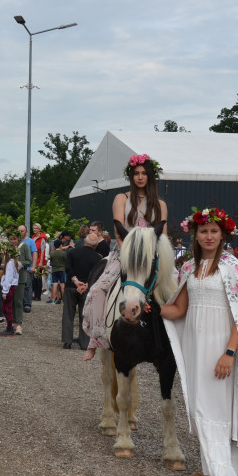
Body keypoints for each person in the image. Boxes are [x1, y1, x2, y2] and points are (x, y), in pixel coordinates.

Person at [160, 206, 238, 476]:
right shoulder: (189, 268)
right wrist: (149, 308)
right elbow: (178, 309)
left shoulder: (232, 267)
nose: (209, 236)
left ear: (223, 234)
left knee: (213, 407)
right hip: (195, 348)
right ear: (195, 235)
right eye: (203, 231)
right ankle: (212, 469)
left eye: (214, 231)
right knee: (200, 405)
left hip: (219, 348)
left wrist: (230, 352)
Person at [82, 154, 168, 361]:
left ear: (150, 176)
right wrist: (130, 254)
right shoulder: (121, 199)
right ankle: (96, 337)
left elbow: (163, 237)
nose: (140, 177)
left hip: (152, 256)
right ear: (131, 176)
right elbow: (119, 231)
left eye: (144, 174)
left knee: (177, 287)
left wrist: (158, 258)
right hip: (125, 253)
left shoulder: (160, 204)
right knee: (98, 289)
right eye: (136, 173)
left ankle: (173, 339)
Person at [63, 229, 103, 349]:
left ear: (84, 241)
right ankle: (85, 343)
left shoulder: (72, 252)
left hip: (71, 286)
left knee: (68, 314)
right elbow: (97, 275)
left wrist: (75, 281)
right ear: (96, 244)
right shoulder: (97, 258)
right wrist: (86, 284)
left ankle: (67, 341)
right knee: (85, 316)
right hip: (87, 289)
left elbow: (68, 267)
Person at [0, 237, 19, 336]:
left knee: (7, 308)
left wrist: (5, 291)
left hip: (9, 287)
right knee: (6, 307)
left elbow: (9, 277)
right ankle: (9, 326)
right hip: (11, 286)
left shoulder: (10, 263)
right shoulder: (14, 262)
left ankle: (10, 328)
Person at [48, 231, 73, 304]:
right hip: (62, 270)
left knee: (55, 284)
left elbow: (51, 263)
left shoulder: (52, 254)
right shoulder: (64, 253)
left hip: (54, 270)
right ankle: (63, 300)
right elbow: (66, 261)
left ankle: (53, 299)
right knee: (62, 284)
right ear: (61, 245)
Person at [18, 225, 35, 314]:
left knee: (27, 286)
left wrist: (33, 266)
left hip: (27, 267)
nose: (21, 233)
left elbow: (34, 253)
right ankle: (20, 303)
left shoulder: (30, 241)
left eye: (22, 231)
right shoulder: (16, 241)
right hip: (16, 268)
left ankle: (27, 304)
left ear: (26, 232)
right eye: (19, 231)